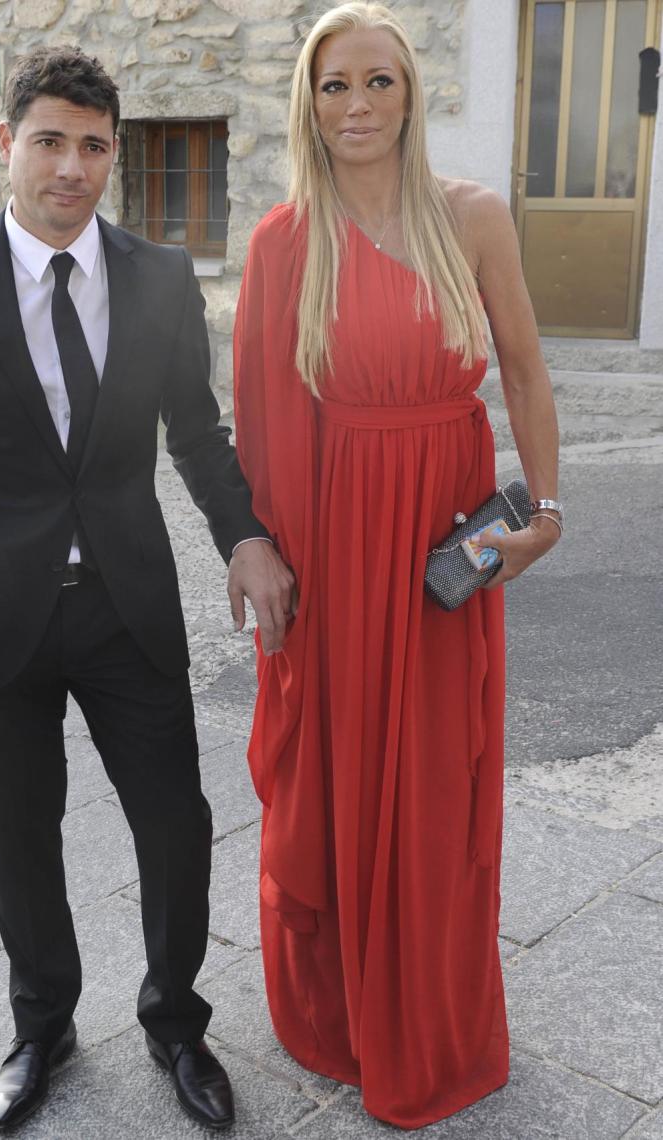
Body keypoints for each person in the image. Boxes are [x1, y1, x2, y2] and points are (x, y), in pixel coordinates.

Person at [0, 46, 295, 1132]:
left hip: (125, 606)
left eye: (94, 145)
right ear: (6, 144)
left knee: (176, 824)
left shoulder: (156, 277)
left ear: (116, 155)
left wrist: (243, 535)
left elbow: (196, 438)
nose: (72, 166)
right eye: (51, 141)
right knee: (23, 837)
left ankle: (174, 1021)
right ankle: (42, 1023)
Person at [233, 2, 562, 1129]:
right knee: (338, 773)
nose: (359, 104)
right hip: (335, 550)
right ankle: (339, 1017)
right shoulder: (286, 240)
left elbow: (523, 370)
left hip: (446, 546)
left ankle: (428, 1018)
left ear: (413, 92)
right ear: (309, 106)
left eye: (379, 81)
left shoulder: (471, 219)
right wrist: (266, 556)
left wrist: (546, 507)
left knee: (435, 776)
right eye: (335, 86)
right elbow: (265, 419)